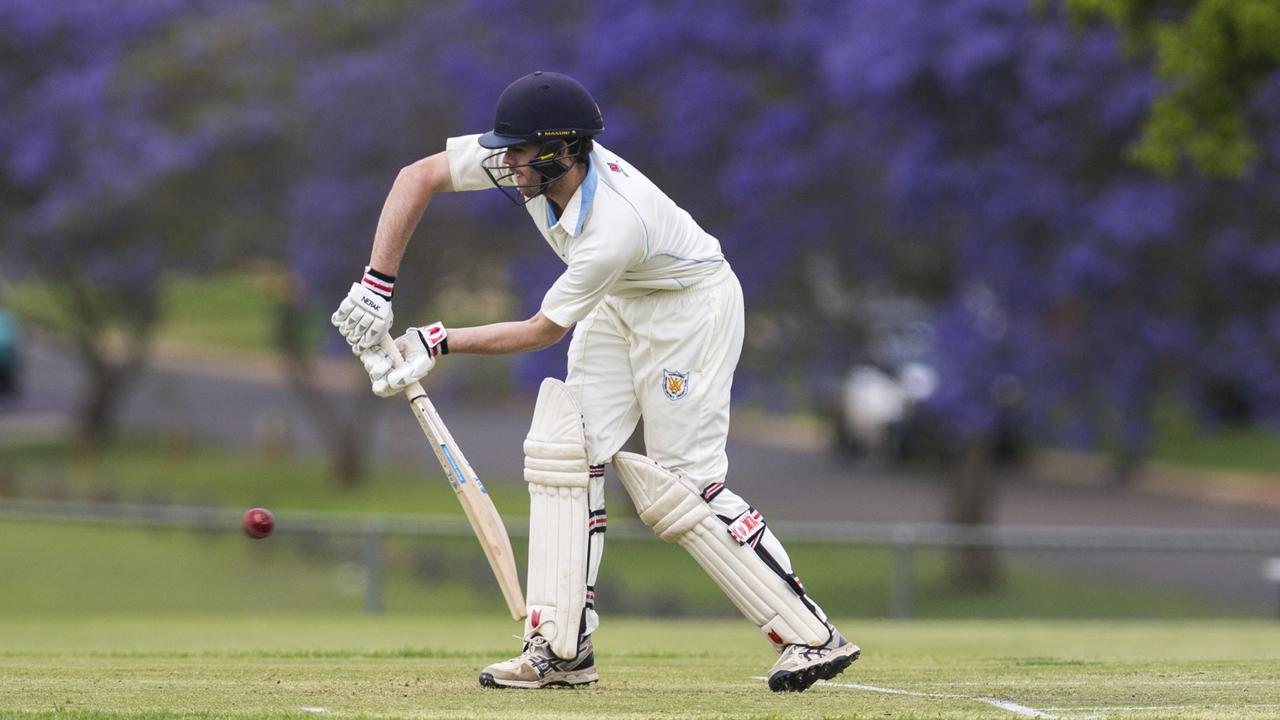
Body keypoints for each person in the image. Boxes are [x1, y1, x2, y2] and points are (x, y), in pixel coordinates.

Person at [331, 71, 859, 692]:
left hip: (690, 307)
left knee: (681, 486)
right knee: (565, 454)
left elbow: (541, 331)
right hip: (622, 300)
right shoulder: (527, 160)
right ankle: (560, 648)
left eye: (520, 153)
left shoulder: (615, 225)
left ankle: (811, 635)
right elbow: (414, 177)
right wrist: (377, 285)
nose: (506, 163)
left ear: (562, 151)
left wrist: (438, 340)